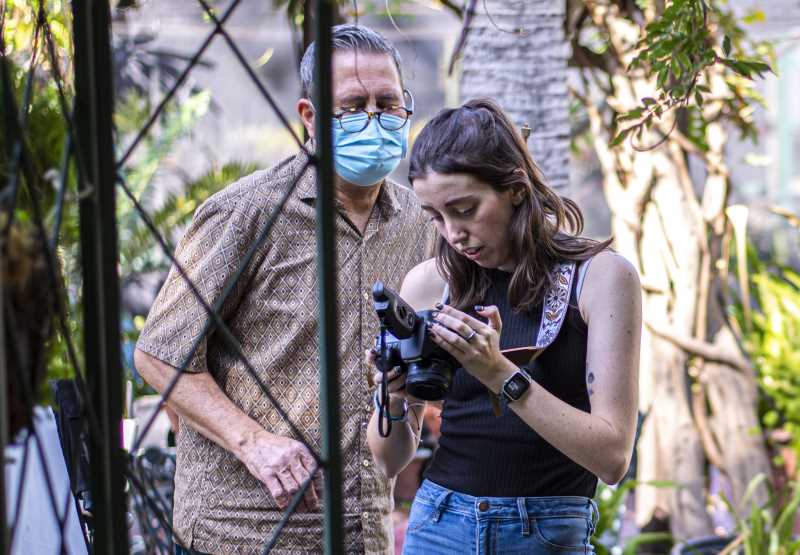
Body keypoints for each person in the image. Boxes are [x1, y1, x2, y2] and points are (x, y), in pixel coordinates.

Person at [134, 24, 433, 555]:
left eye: (388, 103)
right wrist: (254, 442)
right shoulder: (246, 212)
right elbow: (160, 353)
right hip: (240, 532)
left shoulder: (418, 221)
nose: (374, 119)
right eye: (352, 105)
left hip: (361, 529)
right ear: (309, 117)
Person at [366, 99, 641, 554]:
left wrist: (497, 373)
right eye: (436, 216)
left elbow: (612, 459)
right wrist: (392, 395)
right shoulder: (430, 283)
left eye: (465, 209)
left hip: (547, 532)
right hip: (439, 525)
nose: (453, 233)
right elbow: (389, 459)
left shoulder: (601, 278)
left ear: (515, 187)